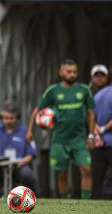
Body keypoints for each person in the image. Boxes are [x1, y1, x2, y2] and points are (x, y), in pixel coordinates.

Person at [28, 59, 95, 198]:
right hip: (60, 139)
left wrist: (91, 135)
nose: (72, 74)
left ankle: (86, 202)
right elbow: (37, 110)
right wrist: (30, 130)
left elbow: (90, 113)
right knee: (61, 174)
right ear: (61, 72)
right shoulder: (53, 91)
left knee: (86, 169)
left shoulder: (84, 90)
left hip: (80, 138)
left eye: (74, 72)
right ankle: (65, 202)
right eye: (69, 71)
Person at [0, 101, 37, 197]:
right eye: (6, 118)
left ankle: (27, 199)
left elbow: (31, 155)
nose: (8, 121)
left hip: (18, 167)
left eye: (11, 118)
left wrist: (20, 162)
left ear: (17, 117)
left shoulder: (25, 131)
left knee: (28, 175)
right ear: (1, 117)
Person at [92, 66, 112, 199]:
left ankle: (96, 198)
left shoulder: (98, 95)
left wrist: (97, 132)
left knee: (98, 174)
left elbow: (90, 117)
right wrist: (104, 129)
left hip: (98, 141)